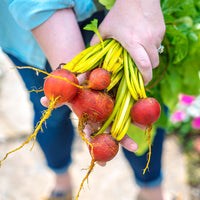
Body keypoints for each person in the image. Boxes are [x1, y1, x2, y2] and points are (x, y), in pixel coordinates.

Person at [0, 0, 165, 200]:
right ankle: (61, 179)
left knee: (132, 114)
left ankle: (151, 188)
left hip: (113, 17)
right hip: (29, 34)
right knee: (50, 116)